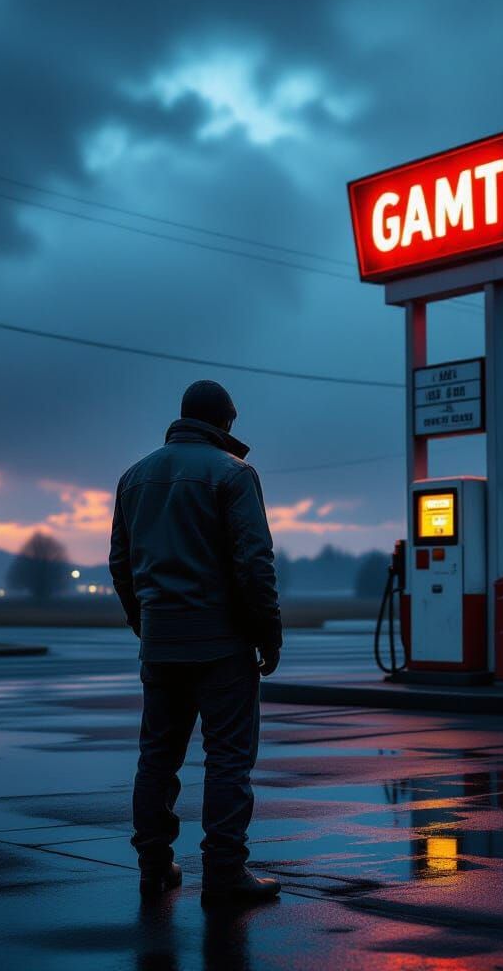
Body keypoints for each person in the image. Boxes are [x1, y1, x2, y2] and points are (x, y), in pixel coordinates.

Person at [109, 380, 283, 906]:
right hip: (221, 644)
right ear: (226, 421)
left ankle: (155, 866)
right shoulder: (234, 474)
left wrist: (146, 622)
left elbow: (120, 564)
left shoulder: (134, 477)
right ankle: (225, 873)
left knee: (157, 757)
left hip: (161, 641)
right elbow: (254, 563)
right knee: (228, 758)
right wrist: (267, 632)